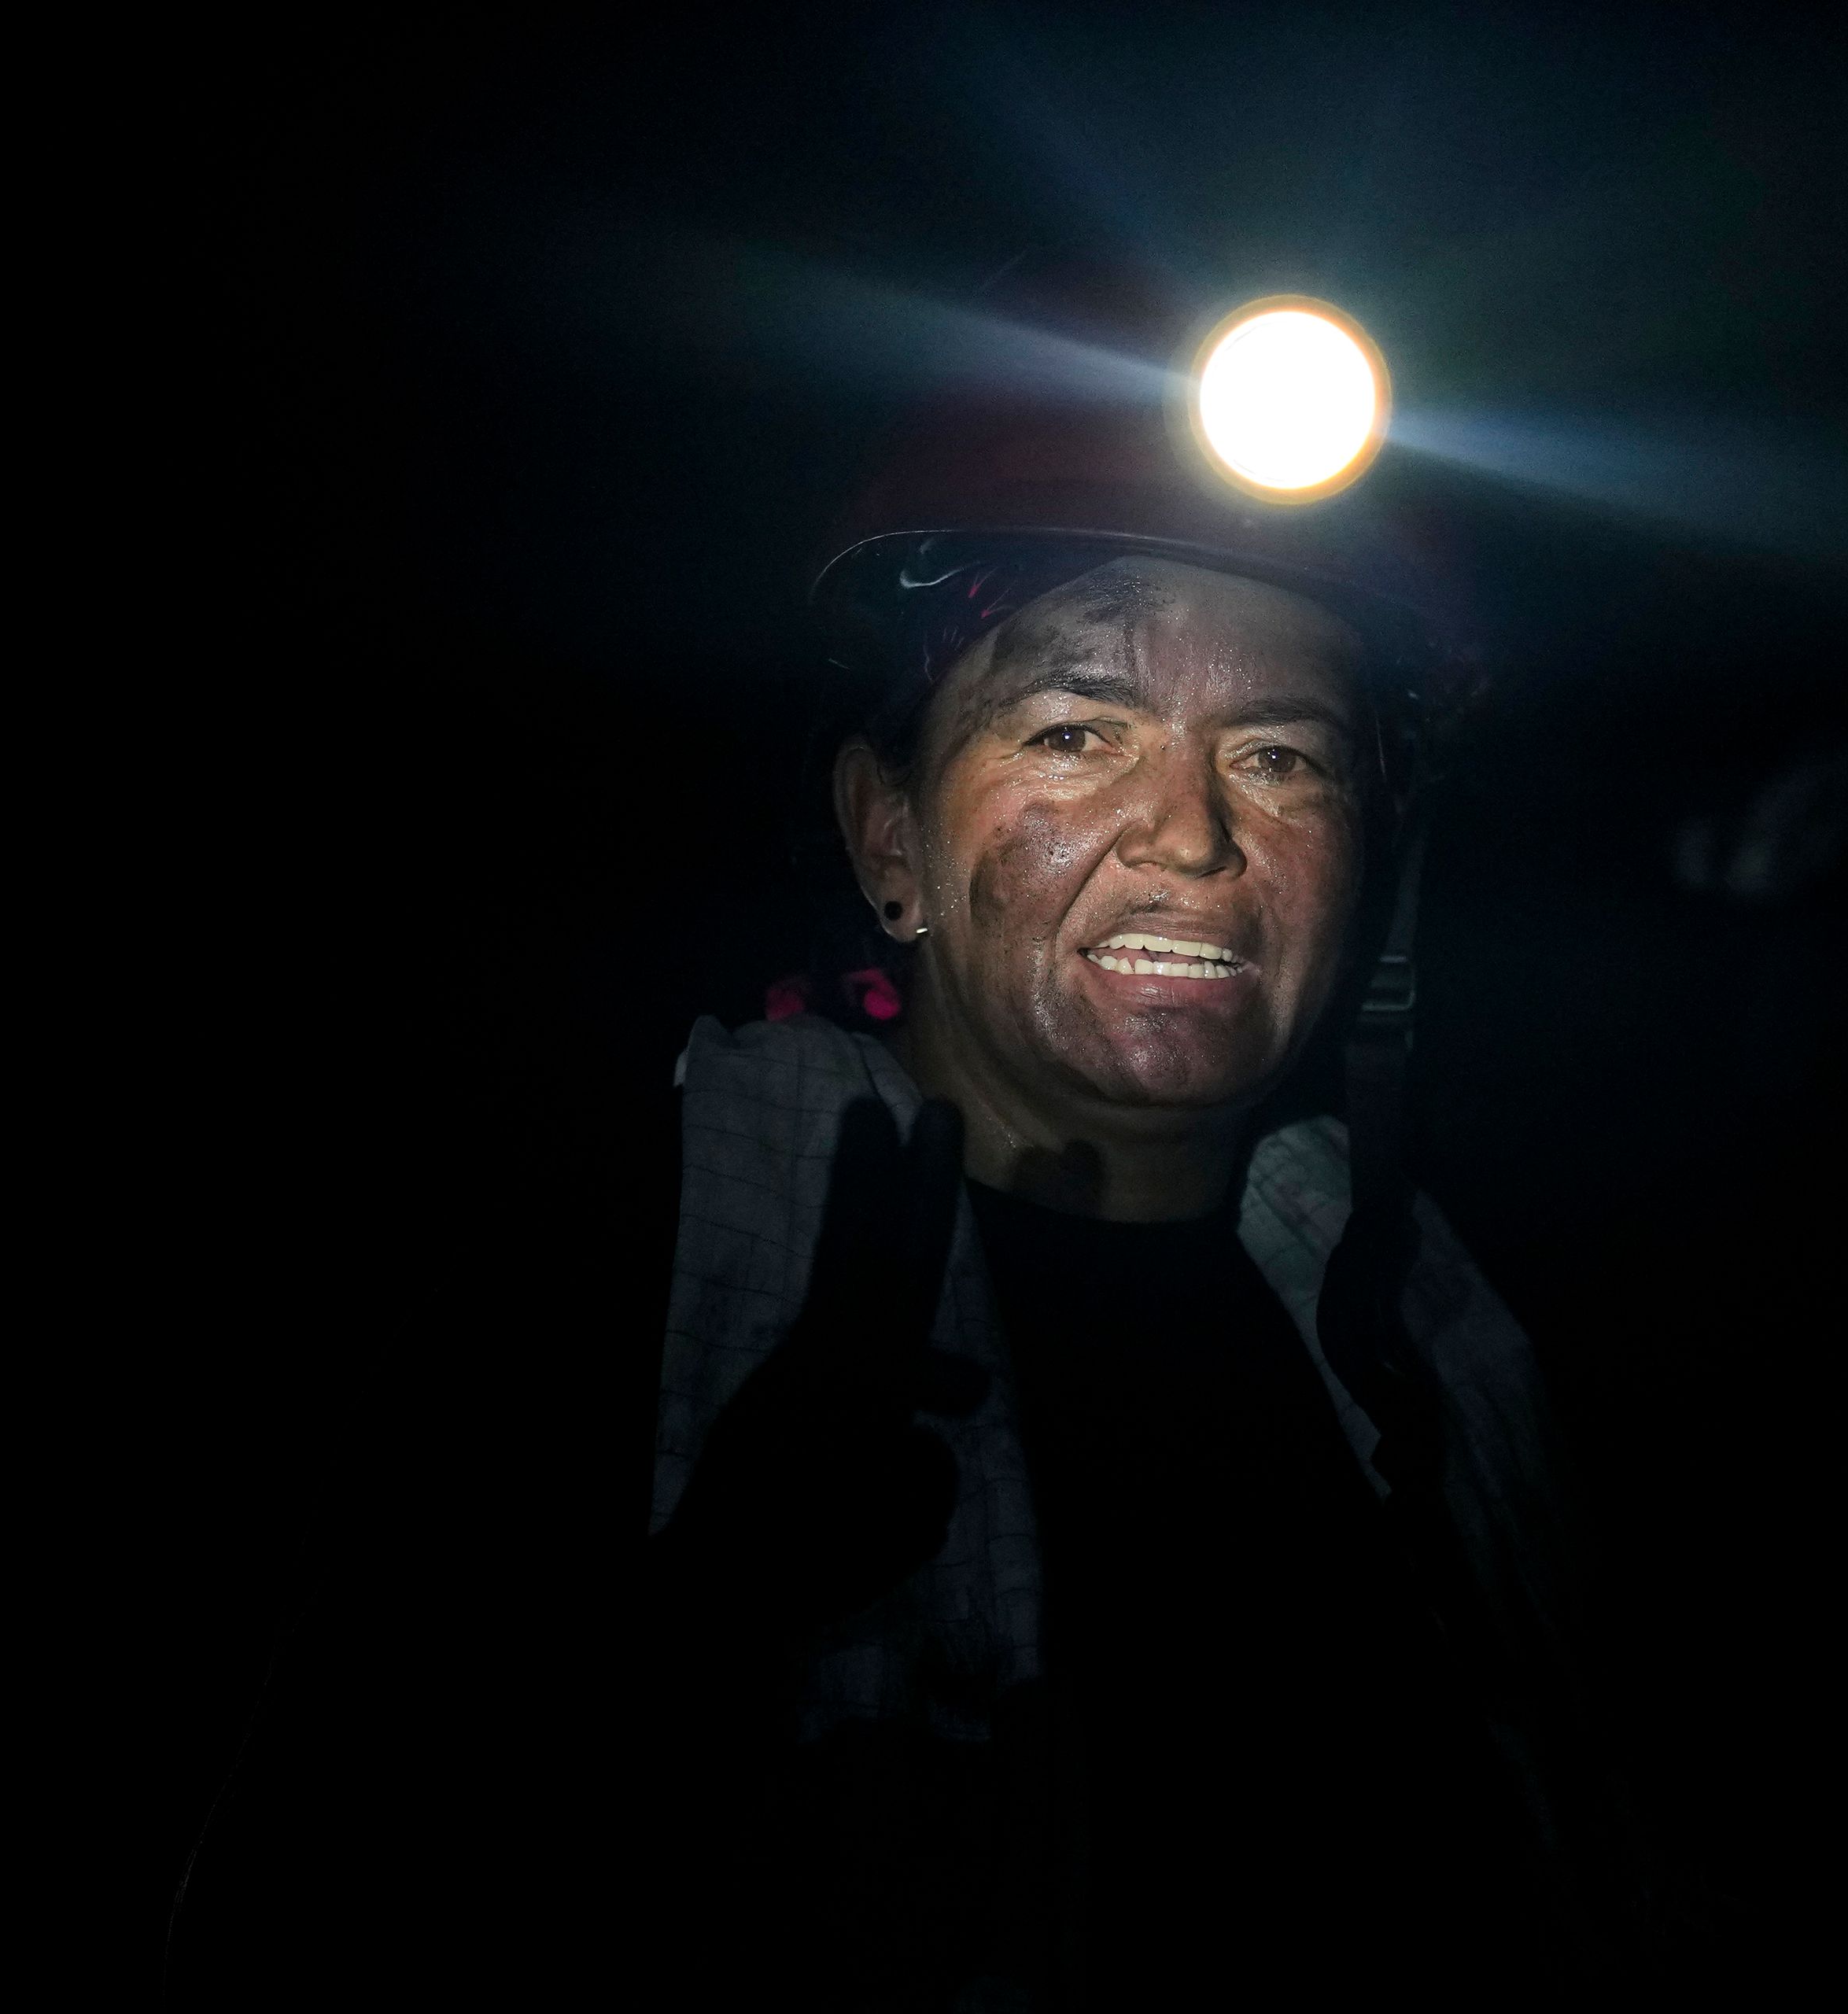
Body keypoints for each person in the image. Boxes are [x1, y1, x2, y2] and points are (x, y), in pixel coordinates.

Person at [640, 285, 1631, 2009]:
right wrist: (692, 1637)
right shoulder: (642, 1238)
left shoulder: (1443, 1341)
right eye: (1077, 730)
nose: (1191, 831)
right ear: (891, 838)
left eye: (1279, 754)